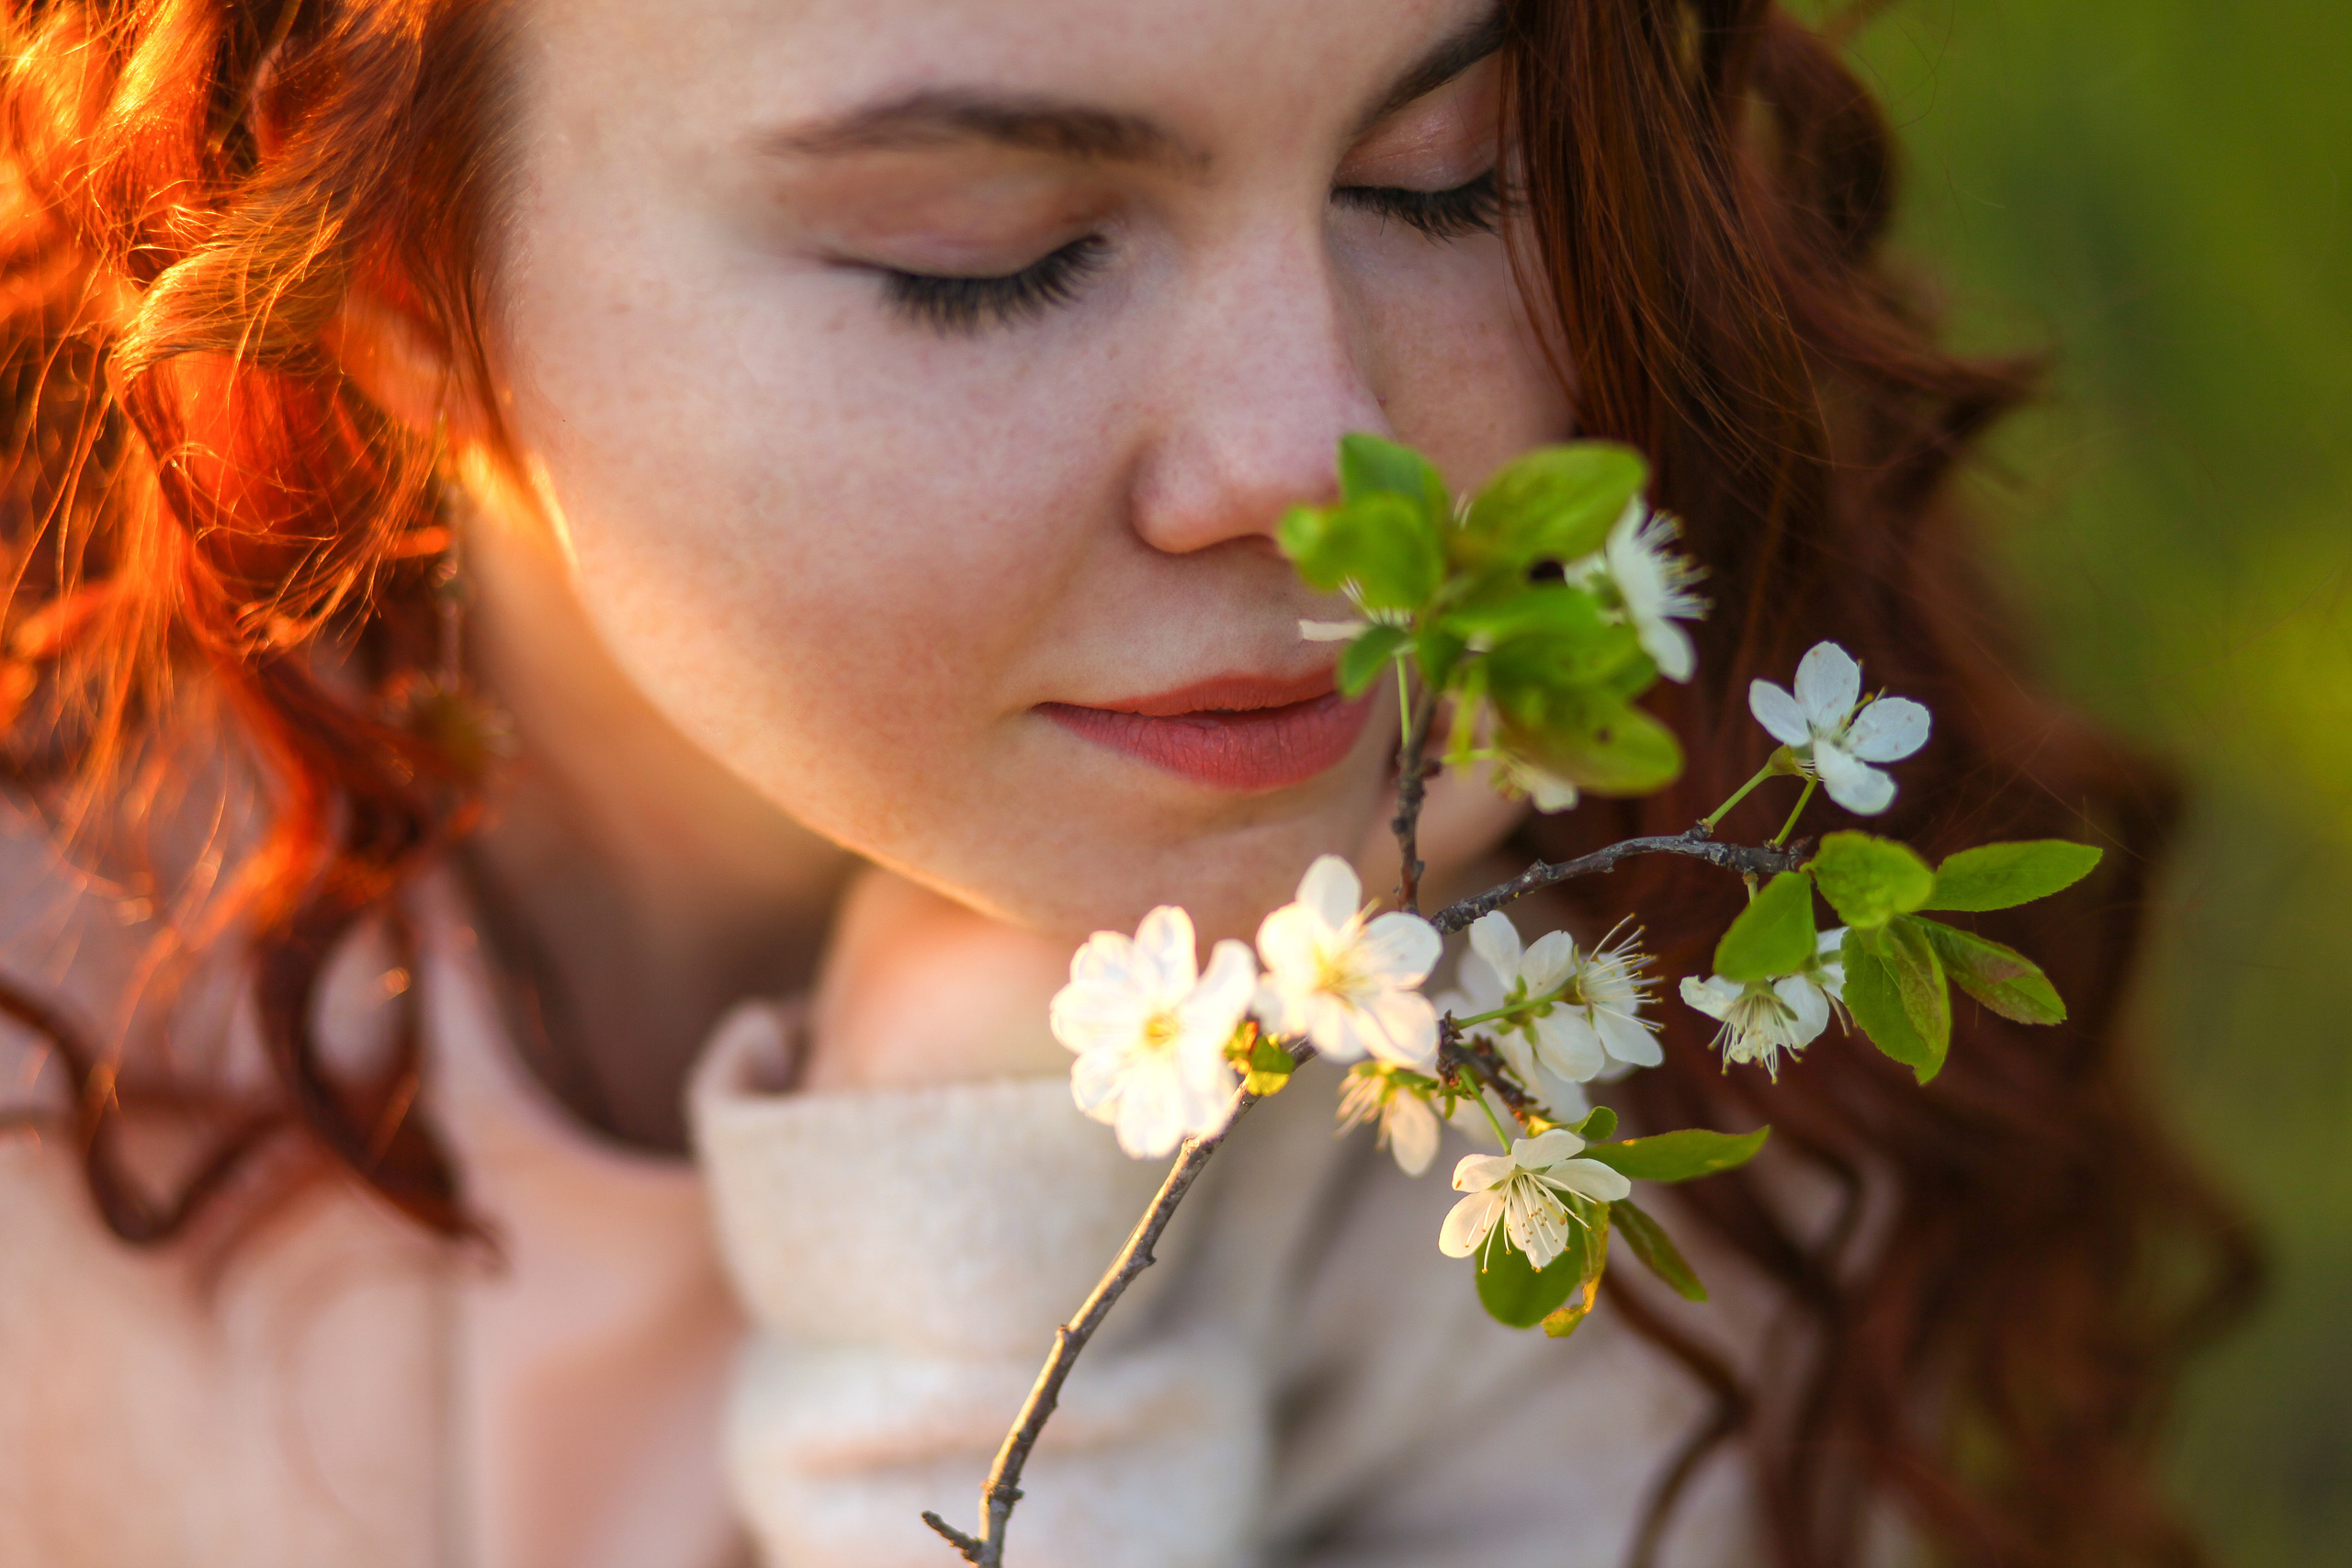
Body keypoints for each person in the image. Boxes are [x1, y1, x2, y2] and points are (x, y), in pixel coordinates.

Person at [0, 2, 2251, 1565]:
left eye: (1447, 182)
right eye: (988, 255)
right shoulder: (65, 1077)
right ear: (377, 247)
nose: (1308, 453)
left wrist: (976, 1290)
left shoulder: (1560, 1068)